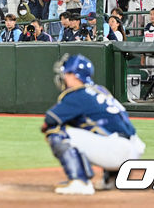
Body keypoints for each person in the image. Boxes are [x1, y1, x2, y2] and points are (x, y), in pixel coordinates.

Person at [42, 54, 145, 195]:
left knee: (56, 132)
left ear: (74, 75)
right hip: (134, 149)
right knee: (98, 130)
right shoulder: (100, 90)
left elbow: (50, 119)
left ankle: (80, 182)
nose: (63, 77)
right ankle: (111, 180)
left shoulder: (79, 94)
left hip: (117, 153)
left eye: (66, 73)